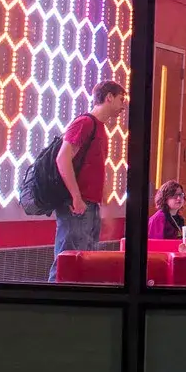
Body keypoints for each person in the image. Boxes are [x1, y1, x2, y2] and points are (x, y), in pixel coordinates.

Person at [54, 81, 127, 258]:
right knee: (69, 262)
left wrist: (104, 204)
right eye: (121, 99)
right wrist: (76, 197)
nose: (123, 106)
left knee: (85, 261)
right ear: (109, 97)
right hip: (77, 206)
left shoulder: (100, 128)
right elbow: (62, 158)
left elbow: (96, 168)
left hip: (89, 206)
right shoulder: (85, 123)